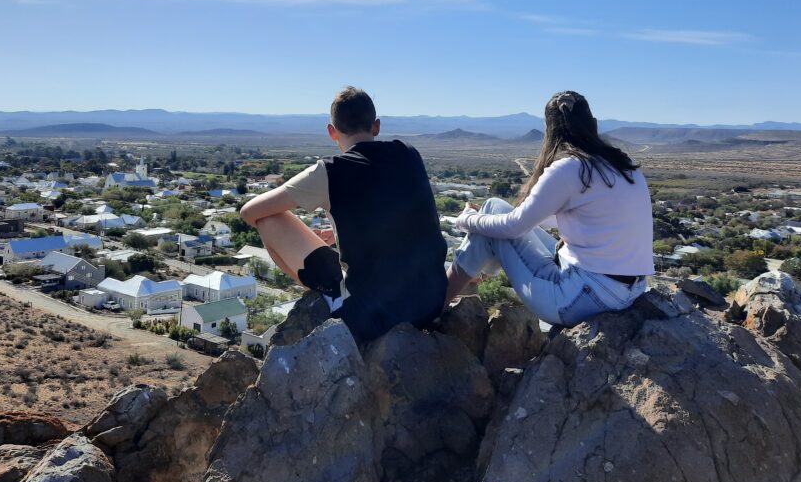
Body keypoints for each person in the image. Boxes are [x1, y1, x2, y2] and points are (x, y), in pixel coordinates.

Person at [240, 86, 447, 342]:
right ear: (376, 126)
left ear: (331, 131)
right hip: (430, 301)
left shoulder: (330, 171)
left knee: (268, 220)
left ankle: (325, 297)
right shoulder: (408, 153)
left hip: (375, 317)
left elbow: (249, 211)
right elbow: (395, 214)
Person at [444, 91, 654, 327]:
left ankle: (438, 303)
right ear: (592, 124)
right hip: (627, 291)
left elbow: (514, 227)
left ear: (551, 131)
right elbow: (580, 221)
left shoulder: (570, 168)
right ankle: (472, 275)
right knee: (494, 206)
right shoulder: (625, 168)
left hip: (581, 299)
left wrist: (466, 219)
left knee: (492, 225)